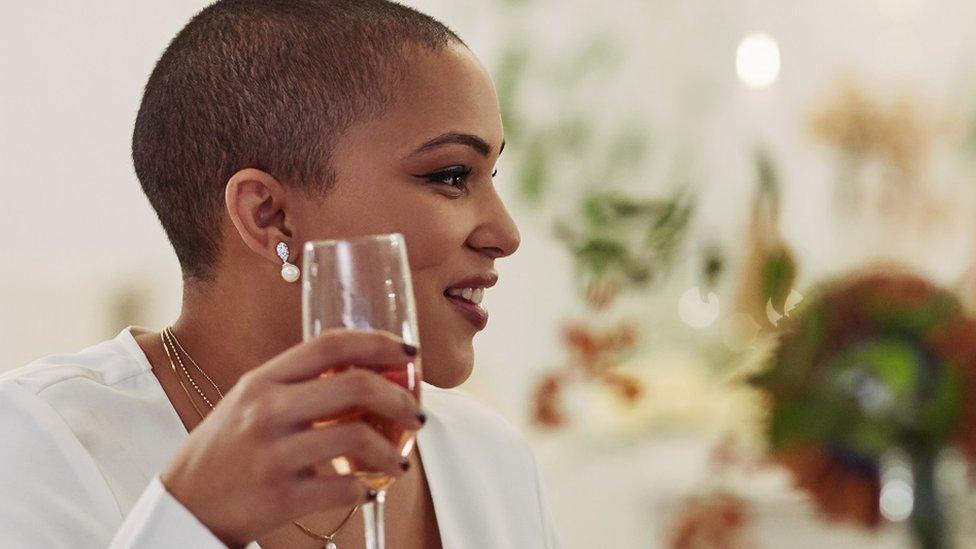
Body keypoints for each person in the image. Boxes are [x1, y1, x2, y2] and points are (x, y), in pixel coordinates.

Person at [0, 1, 560, 547]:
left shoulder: (493, 462)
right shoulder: (40, 438)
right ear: (269, 215)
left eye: (491, 175)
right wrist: (188, 520)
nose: (506, 235)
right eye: (452, 175)